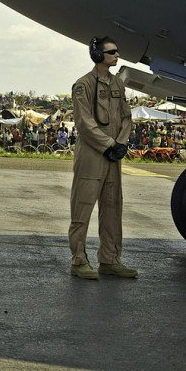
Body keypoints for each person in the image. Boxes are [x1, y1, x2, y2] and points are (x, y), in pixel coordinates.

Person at [69, 36, 136, 279]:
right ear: (98, 55)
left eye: (117, 51)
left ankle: (109, 259)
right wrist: (108, 144)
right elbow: (84, 123)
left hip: (113, 155)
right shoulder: (83, 85)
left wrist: (122, 142)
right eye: (112, 52)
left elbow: (126, 116)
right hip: (91, 155)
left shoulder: (118, 84)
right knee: (82, 209)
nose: (117, 55)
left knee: (112, 208)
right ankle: (78, 261)